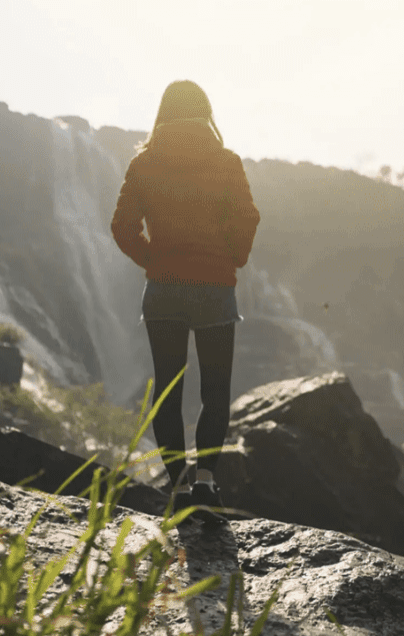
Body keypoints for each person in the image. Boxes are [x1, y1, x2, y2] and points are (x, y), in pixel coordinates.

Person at [111, 80, 260, 522]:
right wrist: (233, 255)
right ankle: (207, 484)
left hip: (164, 289)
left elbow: (121, 226)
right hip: (215, 287)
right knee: (215, 391)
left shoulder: (144, 163)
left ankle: (177, 486)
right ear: (206, 112)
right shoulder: (226, 161)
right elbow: (248, 216)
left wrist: (153, 259)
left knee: (168, 389)